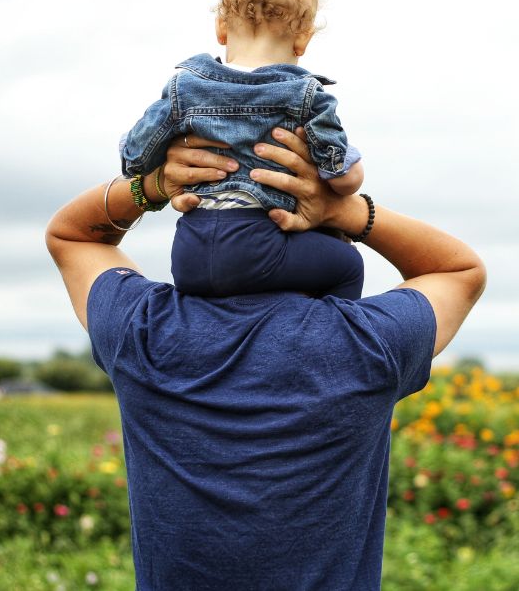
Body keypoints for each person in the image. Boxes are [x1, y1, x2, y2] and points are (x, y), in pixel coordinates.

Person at [46, 128, 486, 590]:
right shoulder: (367, 344)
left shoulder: (145, 331)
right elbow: (458, 270)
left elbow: (73, 237)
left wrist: (153, 186)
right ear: (327, 244)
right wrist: (347, 210)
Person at [120, 0, 365, 299]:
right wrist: (350, 171)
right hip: (261, 245)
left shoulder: (184, 87)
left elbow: (135, 158)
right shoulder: (306, 95)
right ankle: (331, 340)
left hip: (190, 251)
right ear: (303, 40)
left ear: (221, 28)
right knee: (347, 264)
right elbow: (340, 177)